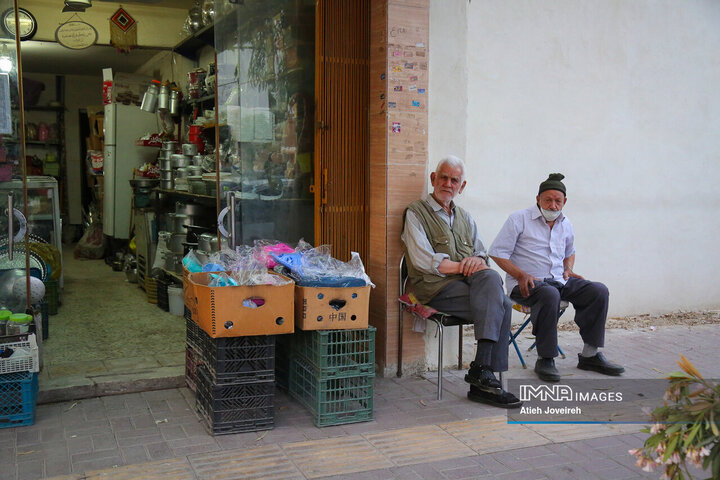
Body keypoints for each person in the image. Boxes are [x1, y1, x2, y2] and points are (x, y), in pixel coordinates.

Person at [401, 155, 521, 408]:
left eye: (454, 180)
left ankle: (482, 372)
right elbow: (423, 260)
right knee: (503, 304)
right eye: (443, 177)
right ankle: (483, 375)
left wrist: (476, 261)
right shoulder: (416, 213)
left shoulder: (465, 217)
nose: (448, 183)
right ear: (433, 179)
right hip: (436, 288)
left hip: (469, 287)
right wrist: (464, 267)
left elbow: (481, 253)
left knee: (490, 278)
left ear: (461, 186)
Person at [488, 173, 625, 382]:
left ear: (564, 202)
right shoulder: (519, 219)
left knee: (598, 291)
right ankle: (545, 358)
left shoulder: (565, 223)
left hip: (560, 281)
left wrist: (568, 268)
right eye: (548, 200)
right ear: (538, 199)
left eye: (557, 201)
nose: (553, 206)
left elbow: (570, 251)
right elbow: (497, 252)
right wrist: (520, 274)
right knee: (549, 294)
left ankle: (590, 355)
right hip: (526, 284)